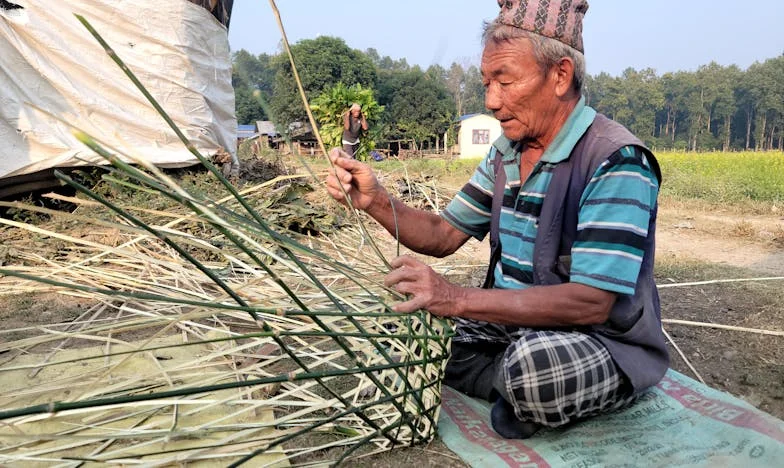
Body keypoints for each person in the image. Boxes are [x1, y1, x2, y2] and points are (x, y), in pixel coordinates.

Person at [326, 0, 668, 439]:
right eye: (487, 82)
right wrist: (374, 201)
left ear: (560, 75)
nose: (491, 101)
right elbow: (442, 234)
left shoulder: (615, 160)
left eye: (505, 81)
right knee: (395, 326)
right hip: (509, 324)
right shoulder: (506, 152)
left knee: (532, 371)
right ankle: (505, 385)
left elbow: (591, 303)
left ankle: (515, 383)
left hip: (597, 338)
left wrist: (456, 299)